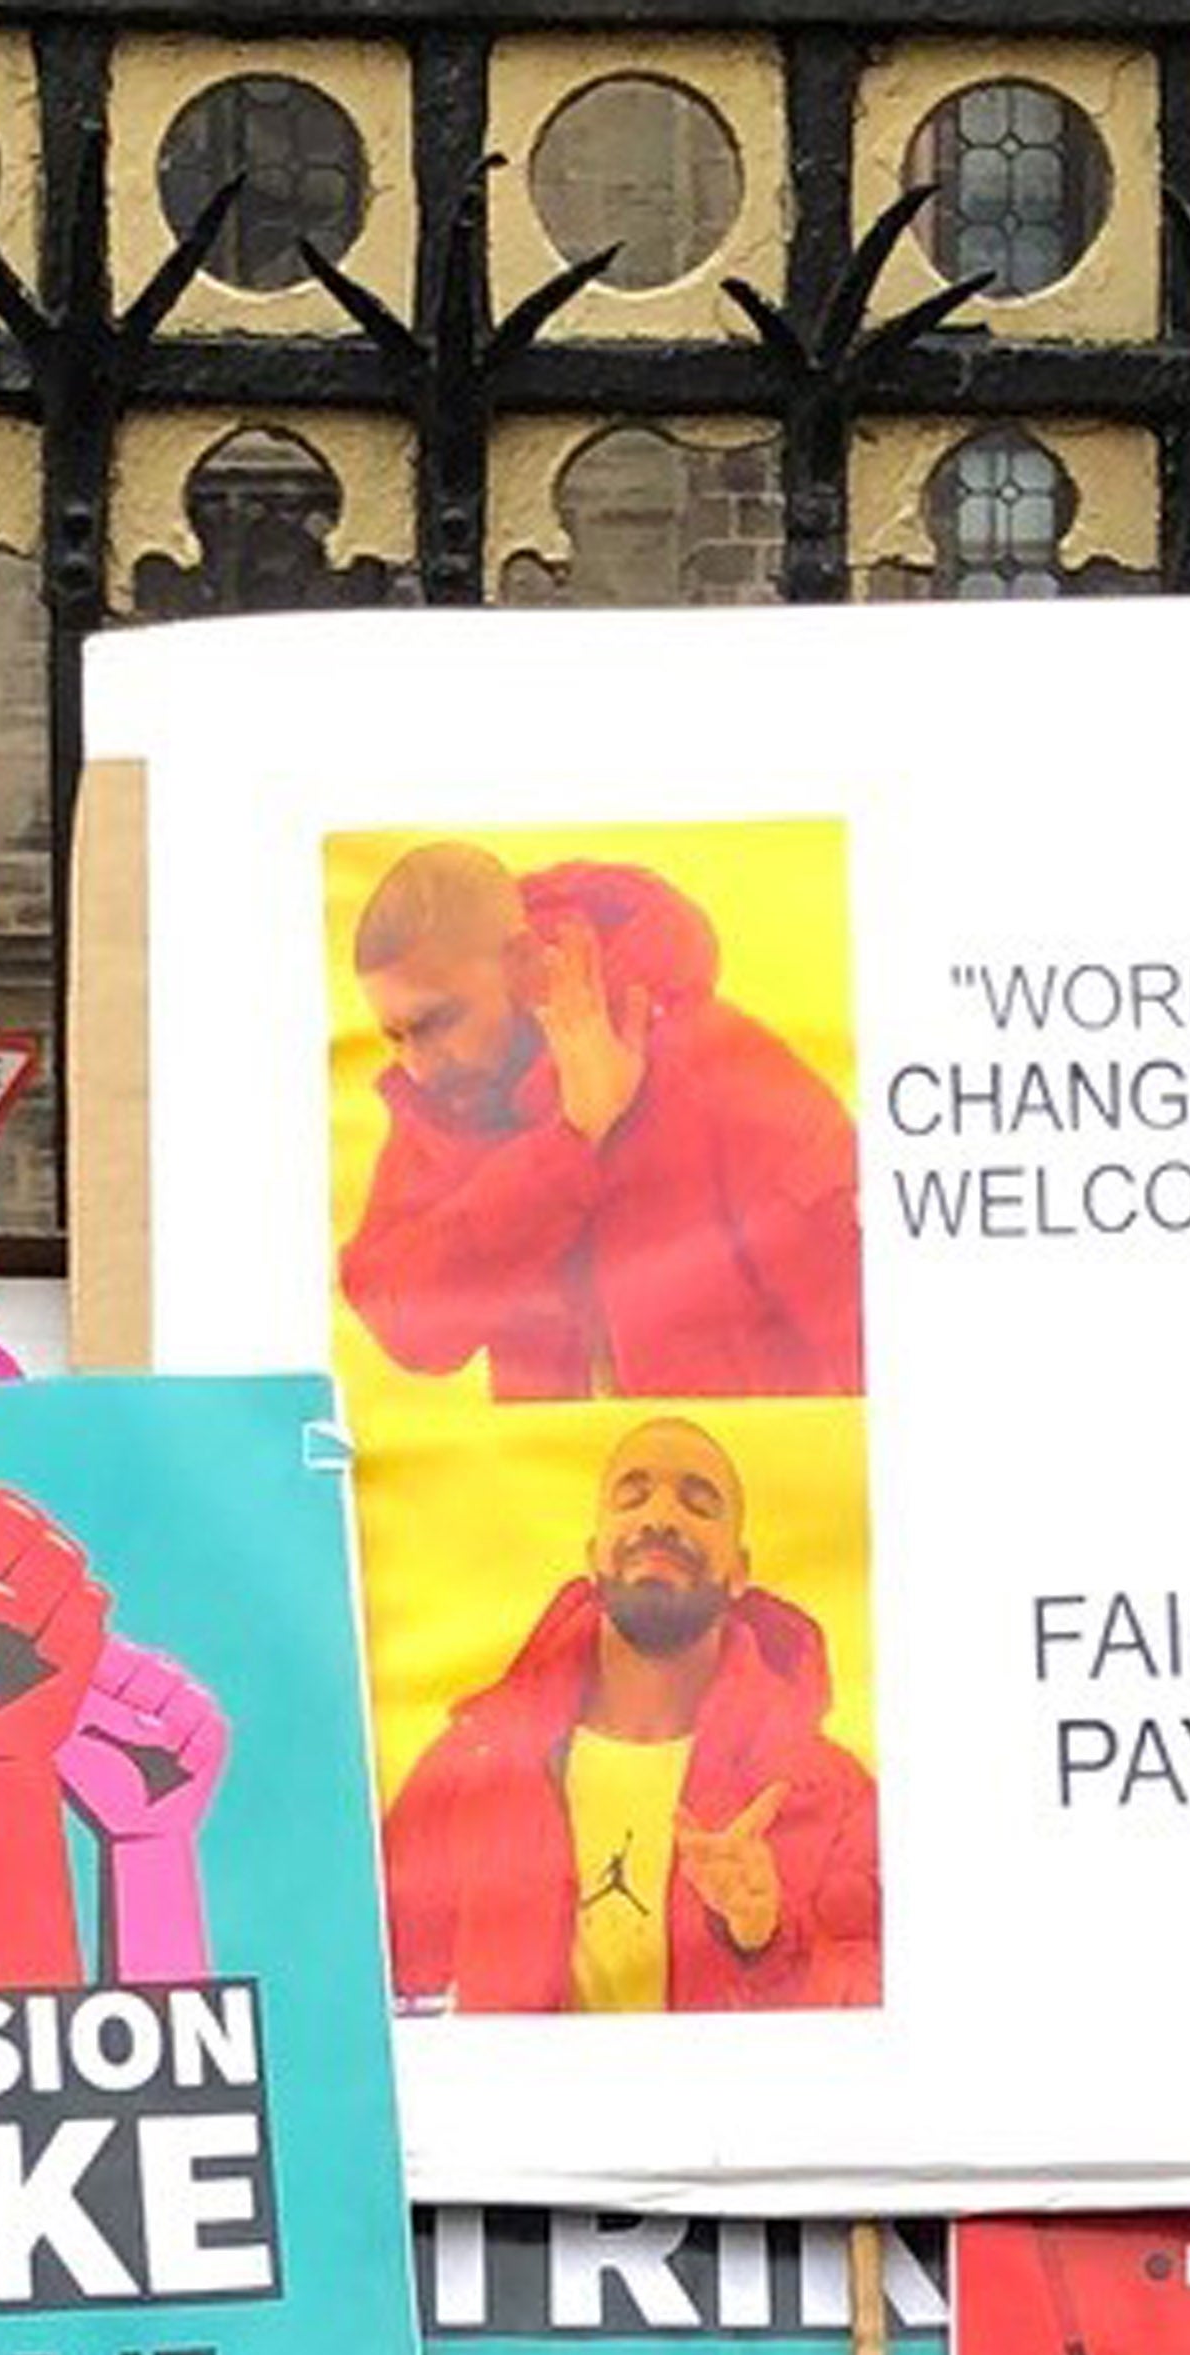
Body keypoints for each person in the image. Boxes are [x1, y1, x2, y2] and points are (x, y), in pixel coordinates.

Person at [378, 1414, 880, 2019]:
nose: (660, 1518)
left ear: (740, 1569)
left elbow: (896, 2011)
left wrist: (768, 1937)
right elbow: (374, 1981)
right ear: (594, 1555)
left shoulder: (832, 1793)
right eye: (632, 1496)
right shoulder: (471, 1766)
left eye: (699, 1503)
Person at [338, 846, 865, 1407]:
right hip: (560, 1487)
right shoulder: (450, 1102)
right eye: (394, 1037)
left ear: (521, 961)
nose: (417, 1064)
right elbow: (409, 1330)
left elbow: (867, 1336)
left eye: (438, 1021)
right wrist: (570, 1142)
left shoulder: (722, 1070)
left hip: (746, 1483)